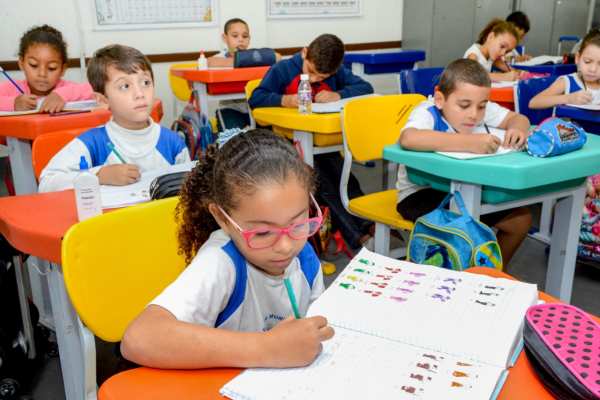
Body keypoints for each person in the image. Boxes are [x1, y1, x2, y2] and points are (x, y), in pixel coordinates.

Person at [120, 129, 334, 369]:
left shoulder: (305, 257)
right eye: (262, 233)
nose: (285, 246)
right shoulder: (221, 262)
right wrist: (268, 347)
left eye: (298, 223)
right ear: (222, 218)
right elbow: (139, 338)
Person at [397, 59, 532, 265]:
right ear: (440, 99)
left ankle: (487, 277)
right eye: (464, 105)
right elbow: (408, 138)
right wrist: (470, 142)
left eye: (482, 106)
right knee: (465, 228)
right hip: (419, 194)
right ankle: (459, 275)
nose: (474, 115)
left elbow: (519, 118)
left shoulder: (476, 104)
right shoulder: (427, 112)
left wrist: (517, 129)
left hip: (464, 189)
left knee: (521, 221)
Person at [249, 33, 375, 250]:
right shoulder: (283, 70)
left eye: (322, 76)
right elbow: (256, 98)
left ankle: (367, 223)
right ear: (304, 52)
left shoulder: (337, 72)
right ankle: (356, 236)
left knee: (344, 176)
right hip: (289, 145)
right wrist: (284, 100)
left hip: (321, 143)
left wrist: (339, 94)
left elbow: (366, 88)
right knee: (321, 183)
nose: (315, 80)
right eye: (312, 72)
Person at [38, 44, 190, 192]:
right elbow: (47, 182)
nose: (139, 94)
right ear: (103, 100)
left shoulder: (173, 143)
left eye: (145, 83)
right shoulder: (93, 143)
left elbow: (189, 192)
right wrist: (99, 176)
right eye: (125, 86)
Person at [0, 24, 93, 112]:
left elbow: (96, 89)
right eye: (33, 65)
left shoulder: (68, 88)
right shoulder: (11, 89)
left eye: (52, 68)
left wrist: (62, 95)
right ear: (21, 63)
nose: (42, 74)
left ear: (63, 69)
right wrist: (13, 103)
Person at [529, 29, 600, 109]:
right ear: (577, 58)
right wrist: (568, 98)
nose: (593, 69)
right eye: (587, 61)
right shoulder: (567, 82)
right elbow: (534, 102)